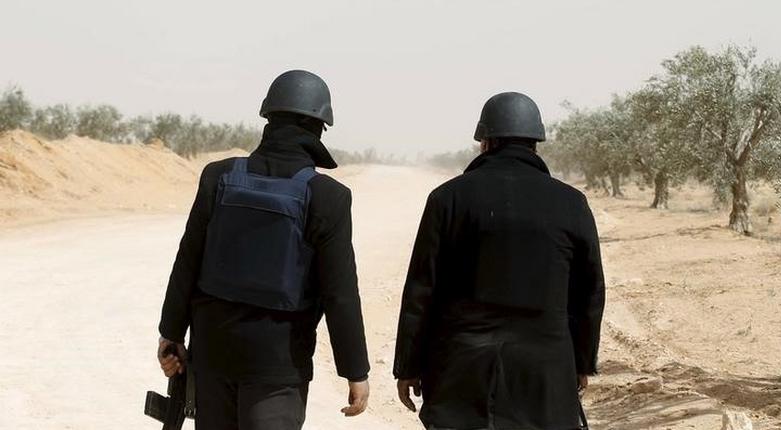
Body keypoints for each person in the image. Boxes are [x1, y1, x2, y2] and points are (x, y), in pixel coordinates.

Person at [156, 70, 370, 430]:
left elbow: (188, 260)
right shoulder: (328, 197)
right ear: (319, 127)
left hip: (212, 355)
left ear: (268, 118)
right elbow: (340, 294)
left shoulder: (218, 177)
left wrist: (171, 333)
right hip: (278, 369)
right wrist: (355, 371)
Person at [393, 92, 605, 429]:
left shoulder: (447, 198)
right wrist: (581, 363)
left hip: (459, 372)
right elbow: (590, 292)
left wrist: (408, 366)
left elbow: (421, 289)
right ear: (536, 143)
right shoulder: (572, 203)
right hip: (545, 375)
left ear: (485, 142)